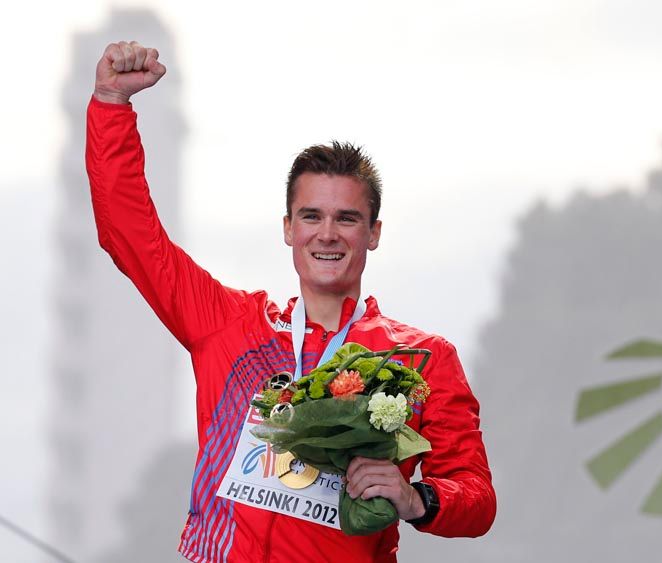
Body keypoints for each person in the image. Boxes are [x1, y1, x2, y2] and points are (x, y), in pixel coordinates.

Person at [87, 41, 496, 563]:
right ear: (288, 228)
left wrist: (417, 499)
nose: (327, 234)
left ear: (373, 233)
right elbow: (129, 233)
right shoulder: (229, 324)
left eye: (347, 218)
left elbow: (477, 498)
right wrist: (111, 105)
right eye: (311, 216)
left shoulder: (421, 359)